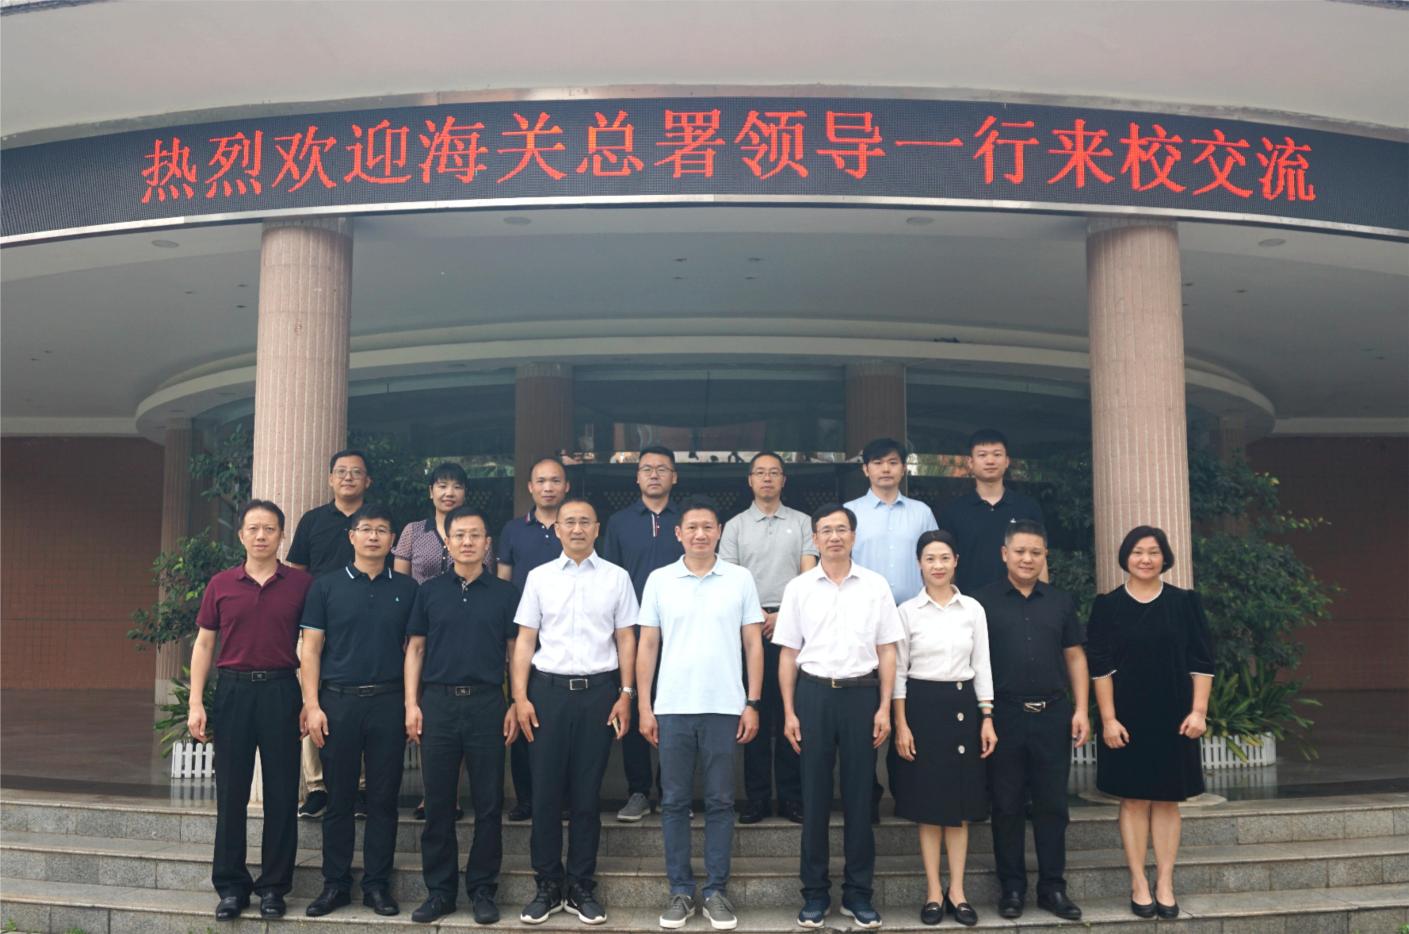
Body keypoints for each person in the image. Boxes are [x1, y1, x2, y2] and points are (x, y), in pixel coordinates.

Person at [637, 496, 765, 931]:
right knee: (673, 802)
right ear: (678, 533)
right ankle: (680, 890)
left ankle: (715, 892)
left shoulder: (739, 579)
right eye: (691, 527)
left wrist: (752, 702)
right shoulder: (659, 580)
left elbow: (753, 643)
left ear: (719, 531)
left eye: (708, 527)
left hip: (724, 707)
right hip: (672, 707)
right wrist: (644, 705)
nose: (699, 534)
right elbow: (647, 644)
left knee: (721, 802)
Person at [512, 497, 638, 926]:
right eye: (570, 522)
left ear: (597, 528)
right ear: (558, 529)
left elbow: (626, 638)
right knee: (545, 793)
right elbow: (525, 640)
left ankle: (581, 884)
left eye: (585, 522)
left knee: (587, 794)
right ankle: (548, 884)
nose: (578, 529)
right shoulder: (539, 577)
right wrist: (520, 697)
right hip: (547, 693)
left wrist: (626, 693)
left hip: (599, 694)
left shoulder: (617, 577)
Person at [774, 504, 901, 931]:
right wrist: (789, 711)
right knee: (813, 798)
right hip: (813, 695)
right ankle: (814, 894)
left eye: (841, 529)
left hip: (862, 695)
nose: (834, 537)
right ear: (814, 538)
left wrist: (885, 707)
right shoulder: (799, 588)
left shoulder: (875, 586)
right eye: (826, 530)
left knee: (860, 797)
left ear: (853, 536)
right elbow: (788, 653)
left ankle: (858, 894)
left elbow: (887, 650)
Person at [188, 500, 312, 922]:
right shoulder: (221, 584)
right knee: (231, 794)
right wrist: (195, 702)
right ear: (241, 535)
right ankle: (231, 887)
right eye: (254, 528)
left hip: (281, 691)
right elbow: (205, 643)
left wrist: (309, 701)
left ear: (282, 535)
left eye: (270, 529)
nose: (261, 536)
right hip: (234, 693)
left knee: (282, 794)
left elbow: (313, 646)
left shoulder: (301, 584)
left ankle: (274, 887)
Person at [1087, 525, 1215, 921]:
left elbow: (1202, 661)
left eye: (1154, 551)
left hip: (1175, 716)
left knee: (1166, 800)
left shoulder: (1184, 603)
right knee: (1133, 799)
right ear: (1126, 556)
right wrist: (1108, 719)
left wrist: (1199, 711)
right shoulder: (1107, 606)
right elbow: (1100, 666)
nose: (1146, 559)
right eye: (1138, 551)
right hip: (1125, 718)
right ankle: (1138, 882)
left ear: (1165, 557)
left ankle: (1165, 882)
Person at [403, 505, 521, 925]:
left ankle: (483, 889)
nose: (467, 542)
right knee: (438, 803)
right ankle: (440, 892)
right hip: (438, 703)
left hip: (488, 703)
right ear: (448, 544)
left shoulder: (505, 594)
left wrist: (515, 701)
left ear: (488, 544)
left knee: (489, 803)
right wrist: (411, 703)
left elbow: (515, 652)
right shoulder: (429, 592)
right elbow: (416, 649)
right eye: (459, 535)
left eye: (475, 535)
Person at [298, 502, 418, 918]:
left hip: (388, 702)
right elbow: (311, 649)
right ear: (351, 537)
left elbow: (413, 651)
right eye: (365, 529)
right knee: (339, 799)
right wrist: (312, 704)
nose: (373, 536)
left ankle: (377, 886)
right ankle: (335, 884)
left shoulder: (407, 589)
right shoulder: (325, 587)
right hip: (338, 702)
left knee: (383, 800)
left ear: (392, 539)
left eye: (382, 530)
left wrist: (410, 704)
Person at [974, 520, 1087, 922]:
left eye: (1035, 553)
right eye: (1020, 551)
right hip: (1003, 715)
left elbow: (1075, 656)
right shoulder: (981, 602)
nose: (1027, 559)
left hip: (1053, 714)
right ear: (1005, 554)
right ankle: (1012, 888)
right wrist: (984, 714)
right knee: (1006, 805)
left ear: (1045, 557)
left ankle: (1053, 887)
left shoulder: (1060, 602)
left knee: (1052, 805)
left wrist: (1081, 709)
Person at [718, 451, 817, 825]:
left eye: (774, 472)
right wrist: (757, 615)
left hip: (795, 626)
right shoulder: (735, 526)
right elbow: (729, 579)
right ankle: (757, 798)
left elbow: (808, 576)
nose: (767, 478)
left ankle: (792, 797)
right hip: (750, 628)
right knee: (755, 711)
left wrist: (783, 615)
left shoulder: (803, 522)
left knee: (792, 713)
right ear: (749, 480)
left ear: (783, 480)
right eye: (760, 473)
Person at [844, 437, 936, 817]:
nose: (886, 469)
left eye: (893, 462)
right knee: (865, 708)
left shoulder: (921, 512)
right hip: (863, 623)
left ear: (903, 468)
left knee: (908, 704)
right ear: (865, 469)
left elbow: (933, 559)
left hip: (913, 620)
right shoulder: (850, 513)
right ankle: (866, 796)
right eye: (878, 462)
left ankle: (907, 793)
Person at [287, 448, 373, 820]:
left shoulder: (376, 519)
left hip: (366, 625)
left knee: (364, 701)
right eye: (341, 471)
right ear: (330, 479)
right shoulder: (312, 521)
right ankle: (317, 787)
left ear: (368, 480)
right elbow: (297, 573)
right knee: (310, 699)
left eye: (356, 472)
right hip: (317, 625)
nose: (348, 477)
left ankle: (360, 787)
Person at [601, 445, 684, 822]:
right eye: (647, 468)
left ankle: (671, 790)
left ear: (674, 477)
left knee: (675, 707)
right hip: (632, 631)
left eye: (662, 468)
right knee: (634, 704)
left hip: (680, 629)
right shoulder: (619, 523)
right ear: (636, 477)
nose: (654, 474)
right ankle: (637, 790)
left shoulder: (686, 520)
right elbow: (610, 578)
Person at [497, 455, 571, 822]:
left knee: (564, 721)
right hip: (523, 636)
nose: (548, 487)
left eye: (555, 480)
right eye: (541, 481)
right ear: (530, 487)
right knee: (522, 709)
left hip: (566, 635)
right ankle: (526, 797)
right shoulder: (513, 530)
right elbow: (503, 582)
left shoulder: (575, 527)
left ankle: (566, 798)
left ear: (566, 486)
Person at [937, 429, 1045, 594]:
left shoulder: (1027, 507)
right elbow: (947, 562)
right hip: (969, 602)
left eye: (997, 454)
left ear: (1007, 461)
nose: (990, 461)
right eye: (982, 455)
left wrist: (1043, 600)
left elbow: (1040, 559)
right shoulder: (954, 511)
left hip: (1020, 601)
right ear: (970, 462)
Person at [393, 461, 469, 583]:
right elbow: (400, 585)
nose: (449, 493)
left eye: (457, 487)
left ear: (465, 493)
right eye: (443, 486)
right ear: (431, 491)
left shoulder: (476, 534)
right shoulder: (413, 531)